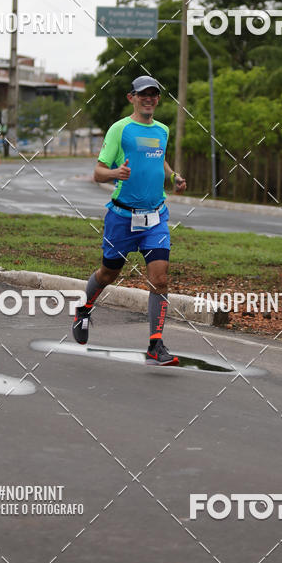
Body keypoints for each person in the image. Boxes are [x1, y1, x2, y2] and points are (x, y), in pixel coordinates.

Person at [72, 75, 187, 365]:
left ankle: (155, 344)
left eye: (153, 94)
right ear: (131, 98)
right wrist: (115, 174)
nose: (148, 99)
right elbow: (98, 172)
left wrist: (172, 176)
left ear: (158, 99)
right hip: (122, 217)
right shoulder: (120, 129)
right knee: (108, 274)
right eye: (143, 94)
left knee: (159, 279)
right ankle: (84, 309)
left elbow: (158, 158)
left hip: (156, 216)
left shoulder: (162, 130)